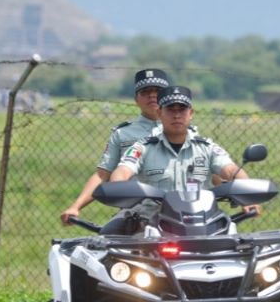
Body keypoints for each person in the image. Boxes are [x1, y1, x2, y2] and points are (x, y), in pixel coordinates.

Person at [60, 68, 169, 229]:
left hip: (174, 209)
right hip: (135, 212)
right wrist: (76, 206)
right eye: (145, 92)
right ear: (136, 99)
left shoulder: (185, 133)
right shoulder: (122, 133)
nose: (152, 95)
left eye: (158, 91)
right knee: (110, 241)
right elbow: (103, 174)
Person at [109, 85, 250, 200]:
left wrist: (247, 195)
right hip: (152, 222)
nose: (176, 115)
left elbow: (230, 170)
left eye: (182, 110)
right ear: (159, 114)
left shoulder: (207, 148)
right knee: (114, 231)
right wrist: (118, 186)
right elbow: (122, 171)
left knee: (229, 230)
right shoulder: (142, 148)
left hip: (202, 221)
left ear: (191, 113)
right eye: (170, 109)